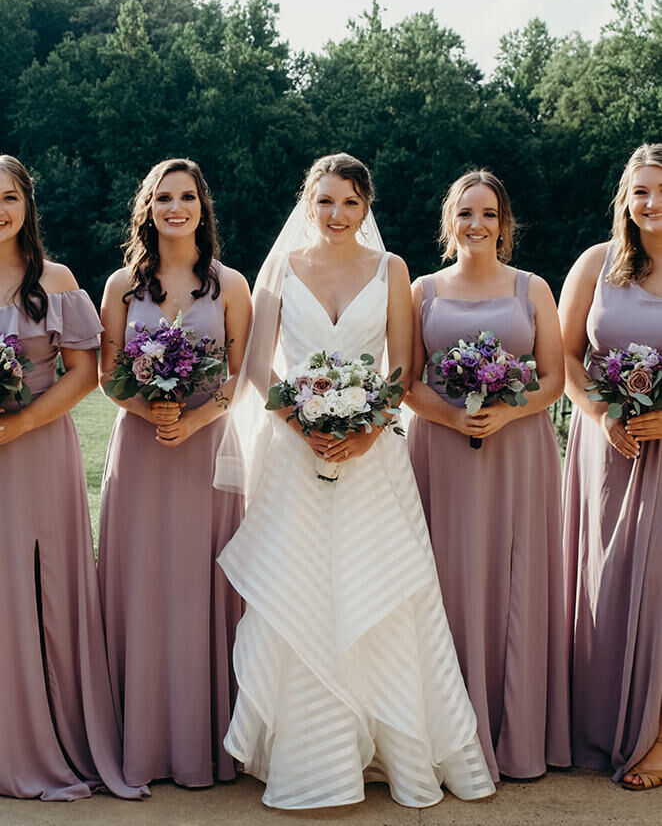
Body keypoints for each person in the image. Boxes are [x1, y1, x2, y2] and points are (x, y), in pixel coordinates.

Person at [215, 153, 495, 809]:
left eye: (349, 203)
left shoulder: (391, 269)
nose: (336, 215)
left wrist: (369, 426)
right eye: (325, 202)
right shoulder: (281, 269)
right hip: (296, 455)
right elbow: (258, 367)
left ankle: (392, 748)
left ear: (367, 208)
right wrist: (305, 421)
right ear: (307, 203)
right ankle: (316, 759)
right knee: (304, 593)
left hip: (374, 457)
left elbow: (402, 368)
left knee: (384, 595)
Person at [406, 170, 570, 782]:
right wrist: (453, 416)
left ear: (505, 225)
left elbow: (553, 378)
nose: (477, 224)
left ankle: (518, 735)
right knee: (446, 578)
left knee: (514, 580)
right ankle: (447, 732)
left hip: (518, 447)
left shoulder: (533, 288)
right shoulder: (422, 290)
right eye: (466, 213)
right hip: (442, 449)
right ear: (449, 220)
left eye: (490, 214)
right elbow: (407, 381)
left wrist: (508, 411)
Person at [98, 158, 251, 787]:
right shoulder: (120, 287)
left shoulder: (230, 285)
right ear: (148, 208)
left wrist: (192, 420)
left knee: (199, 582)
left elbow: (240, 374)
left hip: (205, 450)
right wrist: (148, 406)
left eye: (187, 196)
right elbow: (109, 375)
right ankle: (139, 738)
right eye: (164, 197)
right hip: (140, 449)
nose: (176, 207)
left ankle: (202, 742)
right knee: (142, 582)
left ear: (202, 208)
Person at [0, 155, 146, 801]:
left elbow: (85, 374)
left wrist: (19, 424)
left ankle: (50, 734)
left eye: (8, 197)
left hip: (38, 447)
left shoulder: (54, 279)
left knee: (42, 579)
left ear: (27, 204)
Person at [560, 143, 662, 790]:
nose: (653, 204)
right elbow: (565, 356)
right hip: (607, 448)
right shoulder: (597, 265)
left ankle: (657, 737)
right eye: (643, 191)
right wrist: (601, 415)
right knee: (607, 587)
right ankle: (601, 729)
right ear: (624, 199)